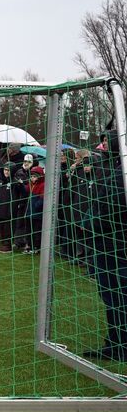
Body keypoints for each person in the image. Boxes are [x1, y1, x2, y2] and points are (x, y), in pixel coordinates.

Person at [83, 128, 127, 362]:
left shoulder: (120, 173)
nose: (102, 146)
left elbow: (110, 208)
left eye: (107, 142)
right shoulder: (112, 168)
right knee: (112, 295)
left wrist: (90, 224)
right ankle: (115, 342)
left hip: (113, 244)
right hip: (108, 241)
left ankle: (120, 345)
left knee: (116, 294)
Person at [23, 165, 44, 254]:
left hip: (37, 214)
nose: (32, 178)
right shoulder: (31, 185)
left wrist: (36, 206)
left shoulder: (42, 185)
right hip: (29, 212)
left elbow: (42, 199)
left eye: (34, 176)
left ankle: (36, 246)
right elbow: (25, 190)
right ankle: (29, 245)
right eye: (31, 176)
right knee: (29, 230)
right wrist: (21, 185)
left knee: (36, 231)